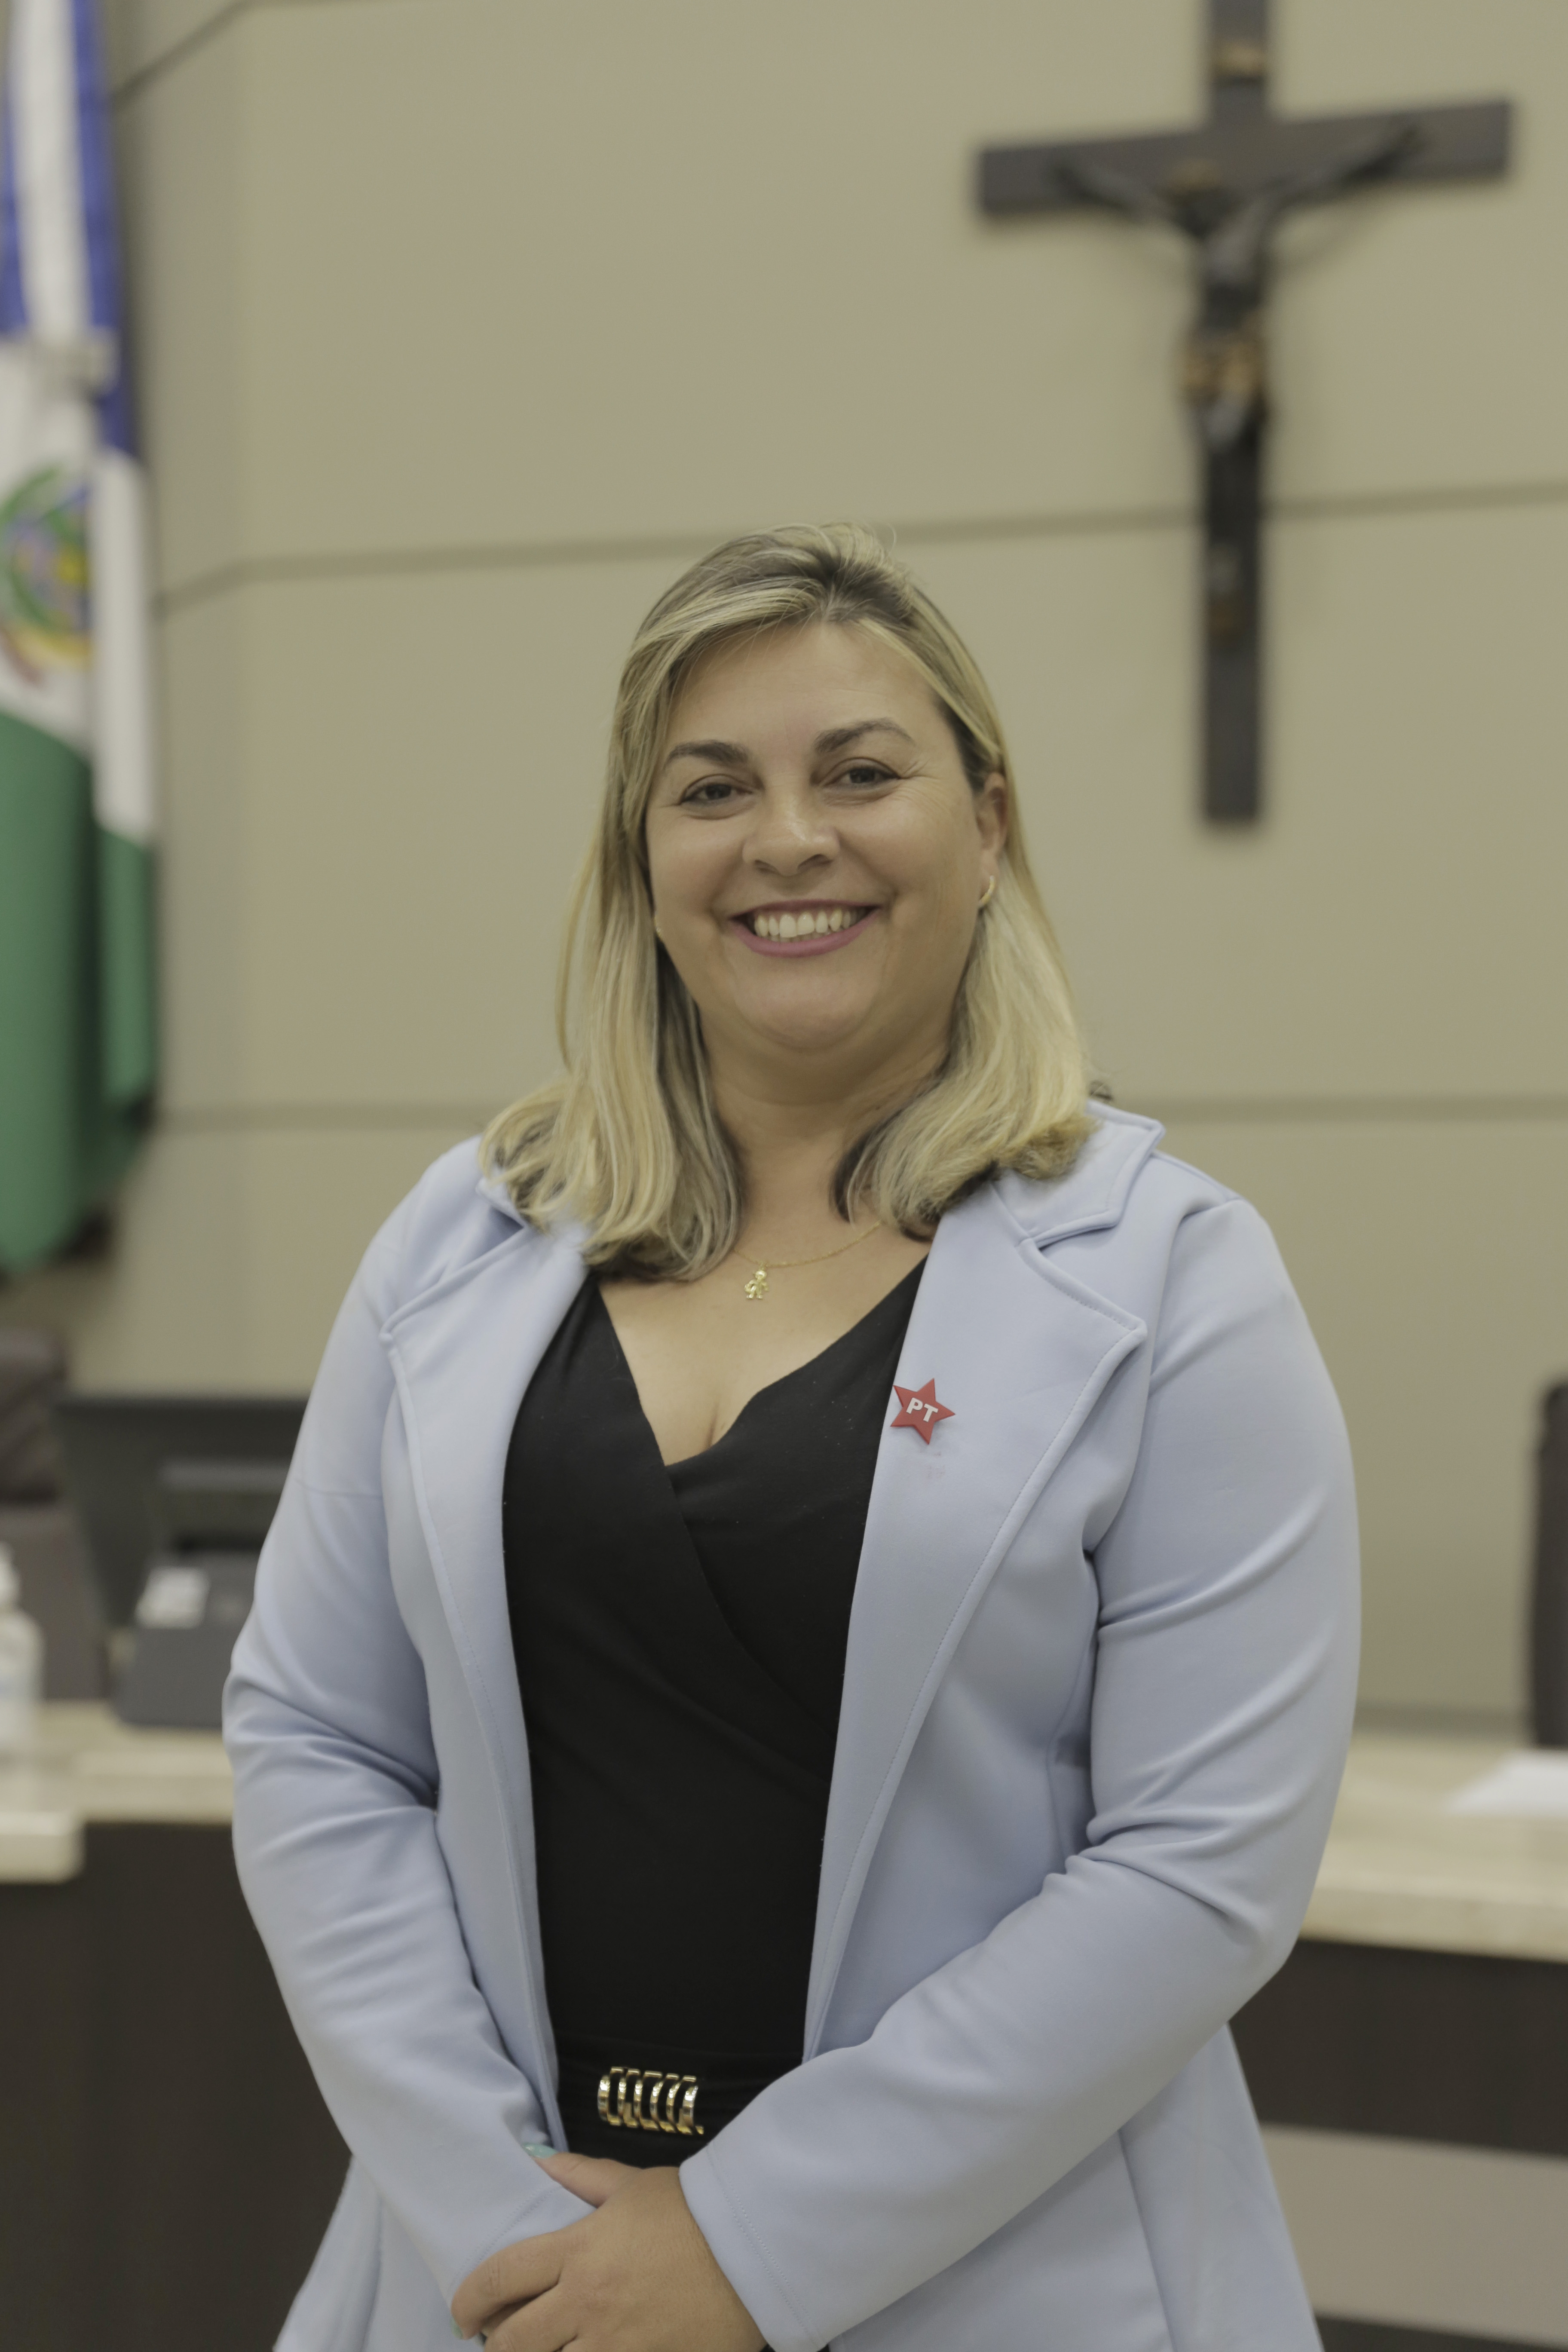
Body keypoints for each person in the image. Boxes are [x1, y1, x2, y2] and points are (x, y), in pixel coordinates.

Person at [225, 524, 1358, 2352]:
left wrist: (747, 2245)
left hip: (999, 2277)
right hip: (500, 2278)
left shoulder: (1173, 1275)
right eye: (711, 790)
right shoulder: (465, 1237)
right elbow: (317, 1739)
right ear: (642, 860)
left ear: (988, 828)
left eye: (860, 773)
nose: (788, 840)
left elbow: (1199, 1865)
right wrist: (504, 2219)